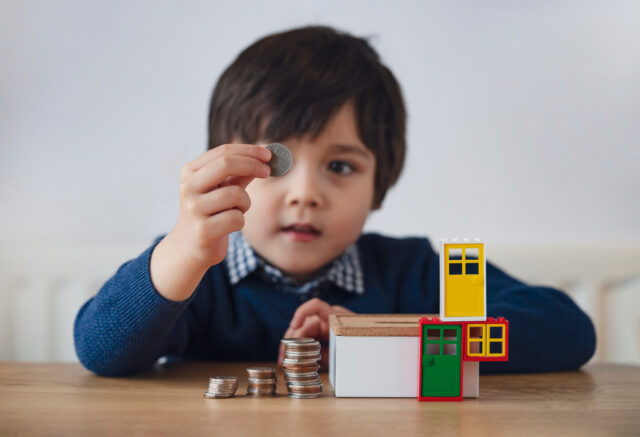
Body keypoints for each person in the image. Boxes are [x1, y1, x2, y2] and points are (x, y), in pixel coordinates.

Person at [74, 26, 595, 377]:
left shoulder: (411, 270)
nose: (304, 193)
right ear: (229, 169)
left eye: (340, 166)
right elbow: (99, 350)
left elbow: (567, 329)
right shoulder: (193, 273)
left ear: (381, 183)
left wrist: (382, 337)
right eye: (276, 162)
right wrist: (183, 250)